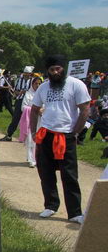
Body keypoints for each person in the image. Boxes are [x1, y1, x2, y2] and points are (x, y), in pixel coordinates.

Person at [30, 54, 91, 224]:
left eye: (58, 68)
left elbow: (85, 109)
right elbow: (34, 109)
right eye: (52, 69)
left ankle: (75, 212)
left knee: (69, 175)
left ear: (63, 69)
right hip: (46, 134)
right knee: (46, 172)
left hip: (66, 136)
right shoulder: (43, 87)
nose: (55, 72)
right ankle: (50, 205)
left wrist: (76, 131)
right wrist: (33, 132)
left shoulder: (75, 85)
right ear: (47, 71)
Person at [0, 66, 33, 141]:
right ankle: (9, 135)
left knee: (29, 119)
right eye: (25, 73)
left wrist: (26, 92)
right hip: (20, 100)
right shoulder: (19, 80)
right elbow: (15, 91)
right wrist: (19, 92)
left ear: (30, 74)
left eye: (28, 74)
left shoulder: (33, 81)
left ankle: (29, 137)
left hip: (29, 102)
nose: (26, 75)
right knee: (15, 118)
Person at [17, 76, 43, 167]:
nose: (37, 85)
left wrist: (42, 110)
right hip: (30, 120)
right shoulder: (28, 94)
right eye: (36, 83)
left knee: (39, 140)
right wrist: (34, 109)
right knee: (31, 139)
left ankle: (37, 158)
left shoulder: (43, 94)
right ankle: (30, 158)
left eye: (39, 84)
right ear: (32, 84)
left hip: (41, 120)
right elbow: (23, 107)